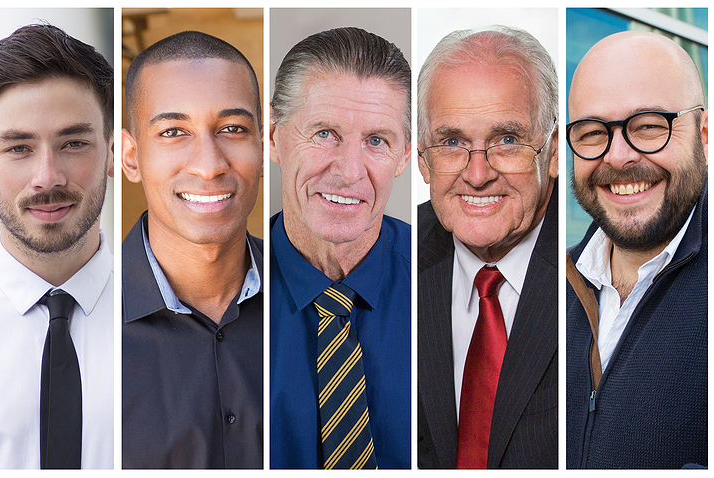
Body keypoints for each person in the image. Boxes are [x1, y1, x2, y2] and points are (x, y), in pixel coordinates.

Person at [0, 24, 117, 469]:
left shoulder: (173, 314)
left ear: (112, 154)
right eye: (19, 148)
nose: (47, 177)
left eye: (73, 143)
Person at [120, 30, 264, 469]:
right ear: (130, 157)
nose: (208, 165)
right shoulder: (84, 319)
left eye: (233, 129)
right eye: (173, 131)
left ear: (263, 142)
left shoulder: (313, 301)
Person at [269, 26, 412, 469]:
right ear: (273, 136)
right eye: (325, 133)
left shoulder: (445, 279)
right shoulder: (224, 281)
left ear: (405, 156)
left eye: (376, 141)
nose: (349, 172)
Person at [417, 26, 558, 469]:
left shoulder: (599, 267)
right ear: (423, 160)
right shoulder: (387, 257)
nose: (478, 174)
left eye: (507, 140)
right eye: (453, 142)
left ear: (553, 152)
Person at [565, 31, 707, 469]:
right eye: (591, 133)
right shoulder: (549, 281)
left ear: (704, 133)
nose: (619, 156)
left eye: (648, 126)